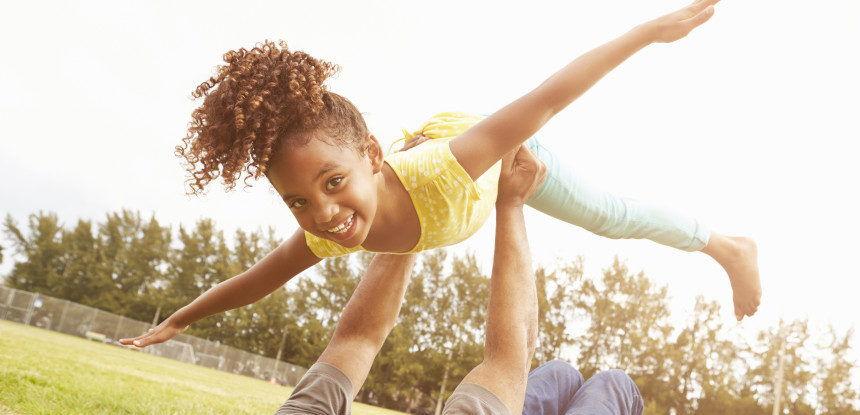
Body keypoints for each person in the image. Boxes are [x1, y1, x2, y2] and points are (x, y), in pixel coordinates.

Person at [121, 0, 761, 352]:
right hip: (419, 165)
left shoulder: (449, 166)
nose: (320, 213)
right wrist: (178, 319)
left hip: (487, 148)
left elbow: (546, 97)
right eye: (297, 202)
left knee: (610, 218)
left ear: (370, 157)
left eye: (332, 183)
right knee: (381, 233)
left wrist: (647, 32)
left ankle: (727, 245)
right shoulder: (325, 231)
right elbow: (254, 281)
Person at [153, 144, 662, 415]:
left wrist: (406, 218)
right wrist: (511, 205)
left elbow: (358, 338)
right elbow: (509, 356)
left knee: (565, 373)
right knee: (613, 386)